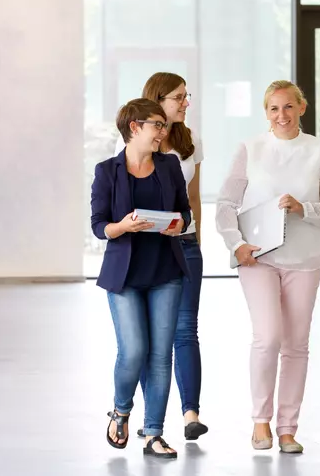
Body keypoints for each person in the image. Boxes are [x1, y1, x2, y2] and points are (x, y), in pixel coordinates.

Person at [216, 80, 320, 453]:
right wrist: (236, 244)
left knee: (296, 345)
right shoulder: (250, 149)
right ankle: (260, 422)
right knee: (267, 337)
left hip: (304, 259)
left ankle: (288, 428)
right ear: (265, 112)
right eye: (273, 108)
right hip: (257, 258)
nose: (281, 115)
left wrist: (305, 209)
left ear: (302, 108)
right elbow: (226, 203)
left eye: (288, 107)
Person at [91, 98, 192, 459]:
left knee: (160, 356)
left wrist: (177, 224)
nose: (163, 132)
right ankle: (120, 411)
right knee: (133, 351)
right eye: (157, 125)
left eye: (164, 126)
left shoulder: (169, 166)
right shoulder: (107, 171)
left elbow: (186, 213)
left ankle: (153, 434)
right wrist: (124, 226)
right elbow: (99, 226)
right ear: (134, 127)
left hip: (166, 271)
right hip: (125, 277)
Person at [114, 73, 208, 441]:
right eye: (178, 98)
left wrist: (196, 238)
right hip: (145, 248)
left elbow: (194, 196)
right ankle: (144, 414)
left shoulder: (190, 140)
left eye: (187, 96)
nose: (186, 103)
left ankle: (190, 414)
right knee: (145, 343)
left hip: (183, 243)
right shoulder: (132, 143)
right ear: (158, 102)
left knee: (186, 330)